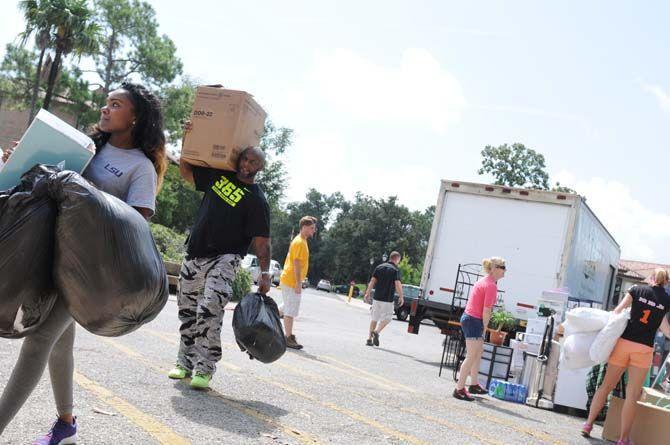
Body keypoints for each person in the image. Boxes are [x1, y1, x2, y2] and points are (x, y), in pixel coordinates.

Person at [0, 82, 166, 444]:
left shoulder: (141, 169)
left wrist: (90, 197)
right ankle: (66, 423)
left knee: (40, 339)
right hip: (48, 255)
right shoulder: (88, 149)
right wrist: (17, 160)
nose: (105, 109)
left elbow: (133, 228)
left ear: (135, 116)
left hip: (86, 270)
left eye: (115, 104)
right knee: (60, 344)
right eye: (106, 103)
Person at [168, 137, 271, 390]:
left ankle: (205, 367)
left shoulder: (257, 200)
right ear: (239, 159)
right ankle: (184, 362)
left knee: (210, 307)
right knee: (187, 309)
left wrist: (266, 273)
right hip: (196, 251)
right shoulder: (219, 176)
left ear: (260, 168)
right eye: (246, 158)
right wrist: (189, 141)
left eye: (254, 162)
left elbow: (261, 241)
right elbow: (187, 173)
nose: (247, 164)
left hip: (226, 257)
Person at [581, 269, 670, 445]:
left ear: (651, 278)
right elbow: (665, 327)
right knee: (632, 395)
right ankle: (622, 439)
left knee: (605, 386)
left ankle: (588, 425)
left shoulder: (636, 290)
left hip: (623, 344)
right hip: (643, 349)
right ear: (666, 282)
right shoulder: (666, 300)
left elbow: (617, 311)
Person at [453, 257, 506, 401]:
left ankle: (474, 384)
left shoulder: (484, 281)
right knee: (471, 355)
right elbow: (487, 310)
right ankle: (459, 389)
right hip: (474, 320)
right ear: (494, 268)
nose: (505, 270)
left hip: (470, 318)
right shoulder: (491, 285)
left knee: (478, 352)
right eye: (502, 267)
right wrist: (484, 328)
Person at [279, 216, 317, 350]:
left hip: (288, 279)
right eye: (312, 228)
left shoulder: (300, 240)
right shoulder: (300, 242)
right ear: (304, 227)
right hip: (291, 280)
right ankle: (288, 337)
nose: (314, 230)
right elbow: (296, 263)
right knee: (290, 310)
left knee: (286, 306)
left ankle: (267, 318)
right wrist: (298, 283)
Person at [363, 251, 403, 347]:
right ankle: (376, 332)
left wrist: (367, 293)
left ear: (390, 257)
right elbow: (398, 284)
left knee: (374, 318)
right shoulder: (395, 270)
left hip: (377, 298)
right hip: (388, 299)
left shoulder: (379, 267)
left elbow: (372, 281)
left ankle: (369, 339)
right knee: (388, 318)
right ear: (397, 259)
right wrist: (401, 296)